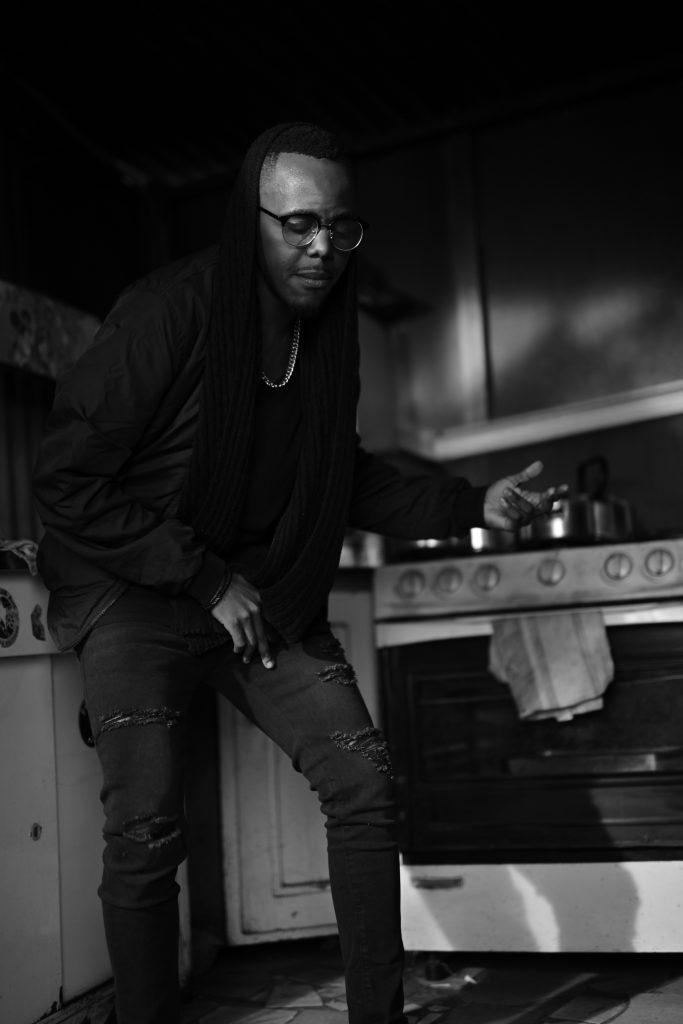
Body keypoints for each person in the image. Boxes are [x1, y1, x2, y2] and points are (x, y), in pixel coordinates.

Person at [32, 121, 560, 1024]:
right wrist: (204, 579)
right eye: (298, 223)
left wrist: (472, 504)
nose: (321, 246)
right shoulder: (172, 311)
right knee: (146, 830)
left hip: (256, 593)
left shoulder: (322, 339)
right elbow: (65, 478)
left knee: (363, 788)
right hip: (135, 590)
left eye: (339, 227)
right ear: (252, 221)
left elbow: (338, 473)